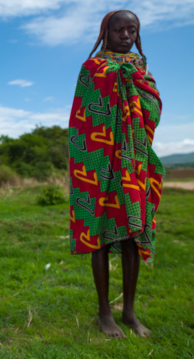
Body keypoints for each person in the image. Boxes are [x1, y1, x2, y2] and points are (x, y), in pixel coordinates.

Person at [68, 10, 164, 338]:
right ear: (105, 33)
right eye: (118, 30)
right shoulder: (92, 70)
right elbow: (82, 118)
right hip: (99, 163)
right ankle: (103, 312)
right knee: (99, 234)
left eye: (132, 30)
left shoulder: (141, 71)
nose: (125, 36)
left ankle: (130, 312)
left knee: (131, 236)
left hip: (133, 164)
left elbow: (151, 110)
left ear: (137, 35)